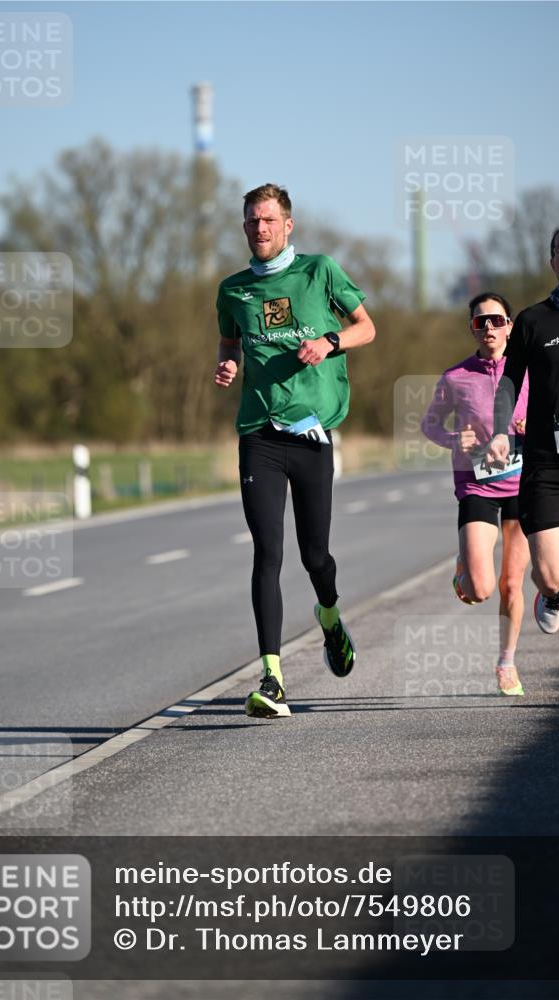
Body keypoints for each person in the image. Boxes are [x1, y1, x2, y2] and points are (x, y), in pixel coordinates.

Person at [214, 183, 376, 718]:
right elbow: (230, 340)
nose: (259, 228)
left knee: (315, 556)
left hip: (310, 435)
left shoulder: (319, 271)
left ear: (288, 225)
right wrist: (230, 363)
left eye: (268, 219)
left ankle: (329, 615)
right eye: (251, 221)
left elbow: (366, 328)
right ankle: (273, 678)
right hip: (258, 434)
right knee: (268, 552)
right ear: (244, 228)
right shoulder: (233, 290)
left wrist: (329, 343)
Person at [487, 222, 559, 708]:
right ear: (551, 260)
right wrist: (502, 430)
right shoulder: (532, 321)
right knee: (554, 574)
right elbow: (508, 383)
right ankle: (553, 591)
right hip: (546, 462)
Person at [422, 293, 530, 695]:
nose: (489, 328)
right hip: (476, 486)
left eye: (497, 321)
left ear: (510, 326)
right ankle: (463, 569)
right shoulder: (456, 377)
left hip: (523, 485)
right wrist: (453, 437)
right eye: (480, 322)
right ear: (471, 327)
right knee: (480, 589)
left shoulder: (529, 372)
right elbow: (429, 424)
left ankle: (506, 663)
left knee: (511, 585)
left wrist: (527, 426)